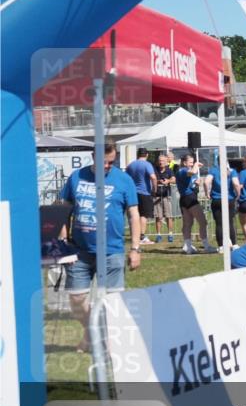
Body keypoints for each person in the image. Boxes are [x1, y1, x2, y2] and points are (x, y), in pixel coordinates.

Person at [59, 143, 141, 350]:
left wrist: (135, 249)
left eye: (111, 162)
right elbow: (62, 212)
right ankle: (91, 331)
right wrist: (62, 243)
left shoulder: (124, 180)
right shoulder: (76, 177)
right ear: (92, 156)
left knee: (112, 302)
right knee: (76, 300)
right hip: (79, 251)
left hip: (112, 251)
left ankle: (107, 339)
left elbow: (133, 215)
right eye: (102, 162)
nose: (106, 166)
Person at [176, 153, 216, 254]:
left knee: (188, 223)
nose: (192, 164)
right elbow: (192, 172)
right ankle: (206, 246)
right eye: (190, 162)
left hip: (186, 198)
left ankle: (188, 247)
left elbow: (190, 180)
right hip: (189, 198)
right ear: (184, 162)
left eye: (192, 162)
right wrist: (196, 165)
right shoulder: (183, 170)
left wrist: (195, 183)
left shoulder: (186, 171)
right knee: (202, 222)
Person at [204, 158, 242, 248]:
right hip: (229, 199)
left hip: (217, 199)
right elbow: (236, 184)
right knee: (230, 222)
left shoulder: (213, 170)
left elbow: (206, 182)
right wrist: (238, 194)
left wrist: (207, 193)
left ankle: (221, 246)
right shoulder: (232, 171)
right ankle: (234, 244)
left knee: (219, 223)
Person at [125, 147, 157, 245]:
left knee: (134, 215)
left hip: (133, 193)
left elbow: (126, 178)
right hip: (144, 192)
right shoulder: (147, 164)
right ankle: (142, 236)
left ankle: (135, 235)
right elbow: (153, 177)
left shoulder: (131, 165)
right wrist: (154, 190)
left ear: (137, 155)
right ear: (146, 155)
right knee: (144, 215)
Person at [152, 152, 175, 243]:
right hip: (157, 195)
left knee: (169, 216)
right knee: (158, 216)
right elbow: (151, 179)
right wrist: (158, 182)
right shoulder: (154, 170)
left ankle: (170, 234)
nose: (161, 162)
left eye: (163, 161)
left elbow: (174, 179)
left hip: (167, 195)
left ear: (166, 162)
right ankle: (158, 235)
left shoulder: (169, 170)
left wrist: (168, 181)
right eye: (160, 161)